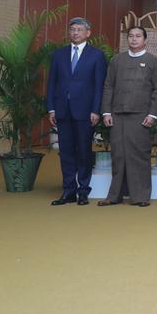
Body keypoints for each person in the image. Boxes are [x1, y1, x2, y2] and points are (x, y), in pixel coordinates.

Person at [98, 27, 157, 207]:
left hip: (141, 115)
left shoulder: (153, 61)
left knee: (139, 155)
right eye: (131, 36)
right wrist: (106, 112)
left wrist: (152, 114)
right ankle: (114, 196)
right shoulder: (117, 60)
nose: (134, 39)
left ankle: (140, 196)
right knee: (117, 155)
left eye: (138, 36)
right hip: (117, 114)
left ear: (145, 40)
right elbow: (108, 87)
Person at [46, 17, 107, 206]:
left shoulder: (96, 55)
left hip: (85, 112)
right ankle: (68, 191)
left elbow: (99, 86)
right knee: (65, 152)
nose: (75, 33)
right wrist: (51, 108)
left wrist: (96, 110)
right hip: (62, 111)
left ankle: (83, 191)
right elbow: (51, 84)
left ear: (88, 33)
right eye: (72, 29)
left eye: (79, 30)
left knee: (84, 152)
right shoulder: (59, 54)